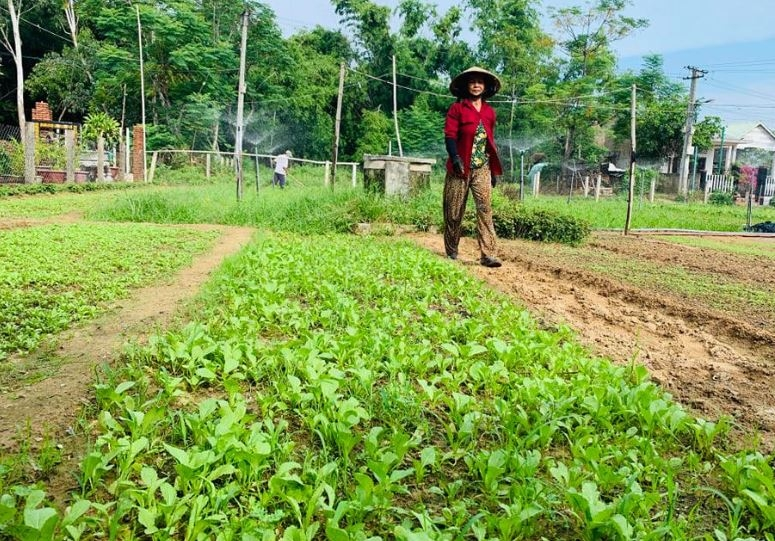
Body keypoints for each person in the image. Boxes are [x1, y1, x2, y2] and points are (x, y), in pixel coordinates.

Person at [443, 66, 503, 268]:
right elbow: (450, 135)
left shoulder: (489, 112)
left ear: (485, 86)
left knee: (485, 208)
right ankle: (451, 251)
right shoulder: (457, 109)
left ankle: (488, 254)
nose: (476, 85)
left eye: (480, 82)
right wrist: (456, 158)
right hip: (459, 169)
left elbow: (490, 141)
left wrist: (493, 171)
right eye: (472, 82)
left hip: (481, 168)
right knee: (453, 211)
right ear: (466, 86)